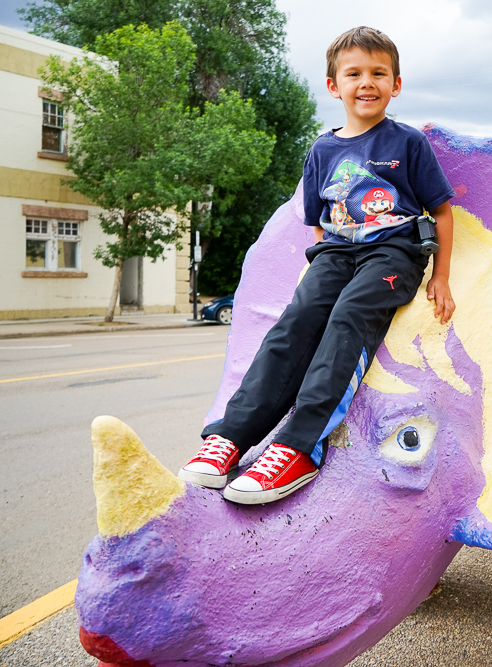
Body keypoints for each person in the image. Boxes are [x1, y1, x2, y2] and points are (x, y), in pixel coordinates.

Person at [178, 26, 457, 505]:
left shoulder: (408, 143)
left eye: (378, 73)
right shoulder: (322, 150)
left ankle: (298, 447)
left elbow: (442, 211)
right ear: (334, 86)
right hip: (336, 252)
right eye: (354, 73)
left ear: (396, 84)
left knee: (349, 317)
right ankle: (230, 436)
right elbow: (318, 223)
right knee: (296, 323)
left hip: (393, 255)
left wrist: (442, 278)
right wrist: (326, 267)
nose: (366, 82)